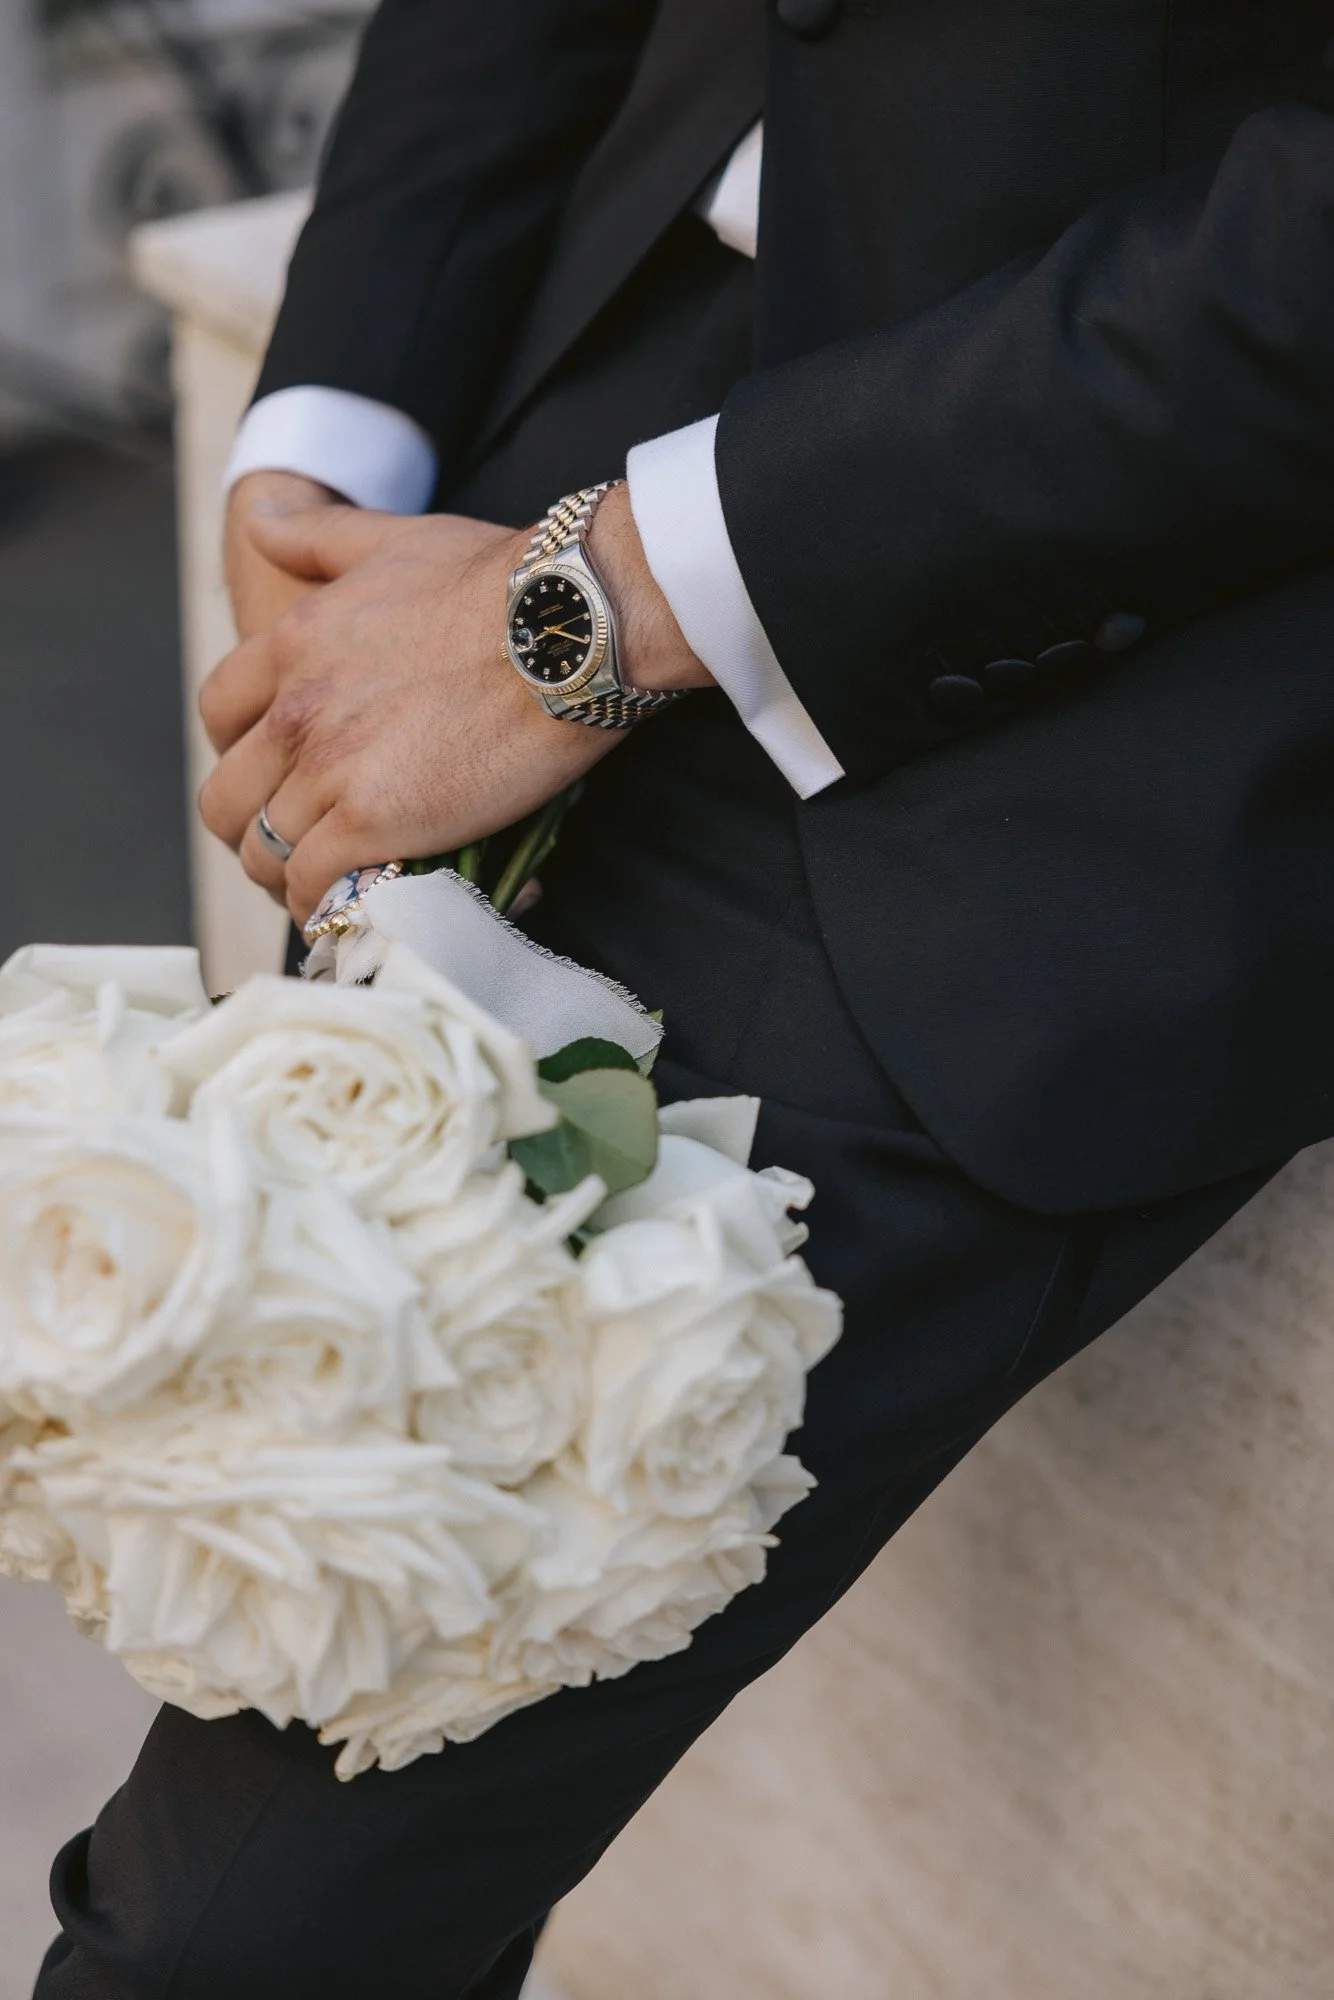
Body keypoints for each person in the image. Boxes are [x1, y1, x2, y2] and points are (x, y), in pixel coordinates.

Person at [36, 4, 1334, 1994]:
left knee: (232, 1937)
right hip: (538, 465)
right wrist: (329, 437)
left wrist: (597, 608)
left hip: (1082, 674)